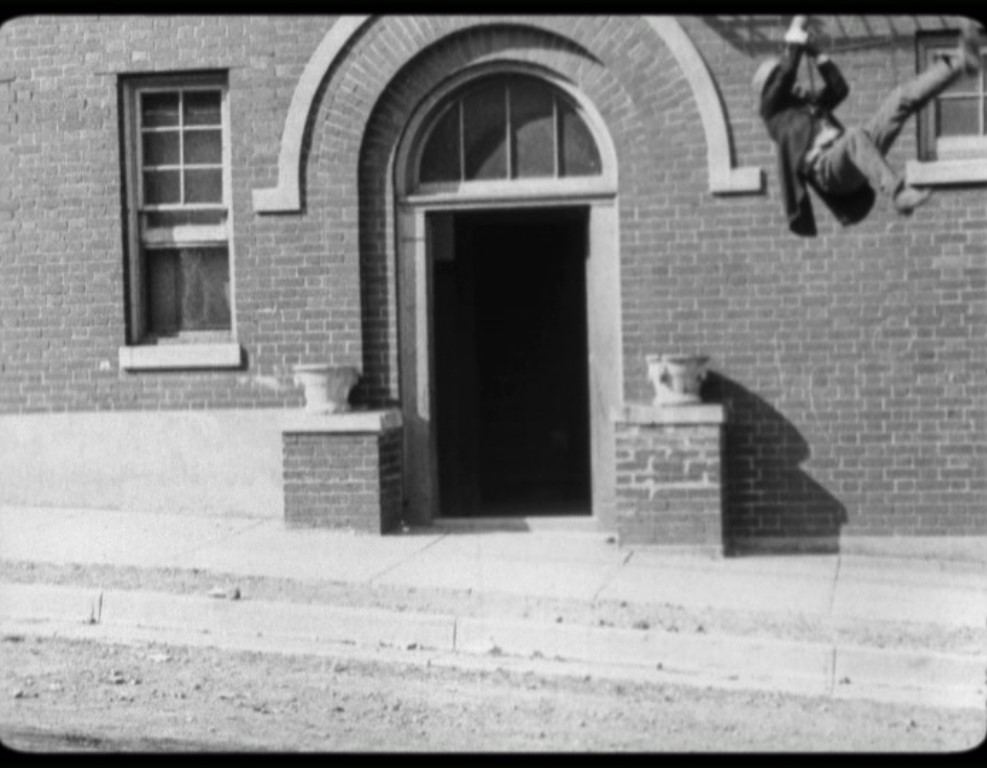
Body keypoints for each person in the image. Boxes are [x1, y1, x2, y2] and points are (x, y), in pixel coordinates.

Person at [753, 16, 983, 237]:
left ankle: (962, 63)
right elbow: (786, 73)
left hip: (855, 155)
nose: (797, 85)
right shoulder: (772, 112)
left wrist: (815, 51)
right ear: (772, 89)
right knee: (854, 137)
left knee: (900, 99)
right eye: (791, 85)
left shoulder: (810, 106)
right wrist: (797, 33)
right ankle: (898, 193)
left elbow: (839, 89)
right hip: (829, 170)